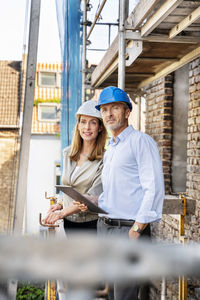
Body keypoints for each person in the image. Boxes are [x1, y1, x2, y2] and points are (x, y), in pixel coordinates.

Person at [78, 86, 165, 300]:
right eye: (105, 109)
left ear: (127, 112)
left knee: (125, 296)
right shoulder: (112, 148)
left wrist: (137, 229)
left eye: (115, 108)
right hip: (106, 228)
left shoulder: (140, 142)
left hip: (128, 230)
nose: (109, 114)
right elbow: (115, 193)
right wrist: (91, 201)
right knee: (113, 295)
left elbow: (153, 189)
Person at [43, 100, 107, 233]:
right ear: (78, 125)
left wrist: (62, 213)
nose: (87, 127)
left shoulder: (105, 159)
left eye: (93, 122)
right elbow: (69, 188)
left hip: (90, 224)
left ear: (100, 127)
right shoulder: (68, 153)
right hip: (69, 222)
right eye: (83, 122)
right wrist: (60, 205)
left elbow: (92, 196)